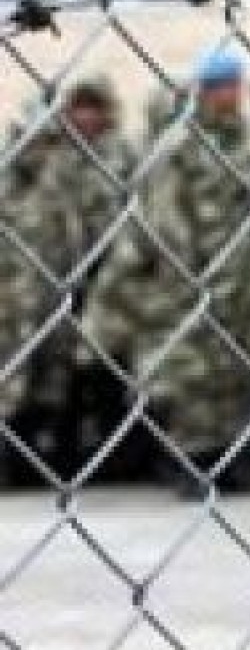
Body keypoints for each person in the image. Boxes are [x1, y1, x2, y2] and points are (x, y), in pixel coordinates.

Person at [87, 47, 250, 497]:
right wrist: (185, 278)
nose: (226, 96)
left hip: (246, 279)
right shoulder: (181, 148)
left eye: (231, 86)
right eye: (217, 88)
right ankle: (194, 460)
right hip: (194, 277)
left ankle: (235, 455)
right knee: (193, 375)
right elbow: (166, 221)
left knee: (240, 368)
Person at [0, 78, 133, 482]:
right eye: (79, 108)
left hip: (97, 278)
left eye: (94, 108)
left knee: (82, 371)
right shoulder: (32, 164)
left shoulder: (119, 157)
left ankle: (81, 454)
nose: (86, 117)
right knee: (28, 372)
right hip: (34, 285)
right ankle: (22, 456)